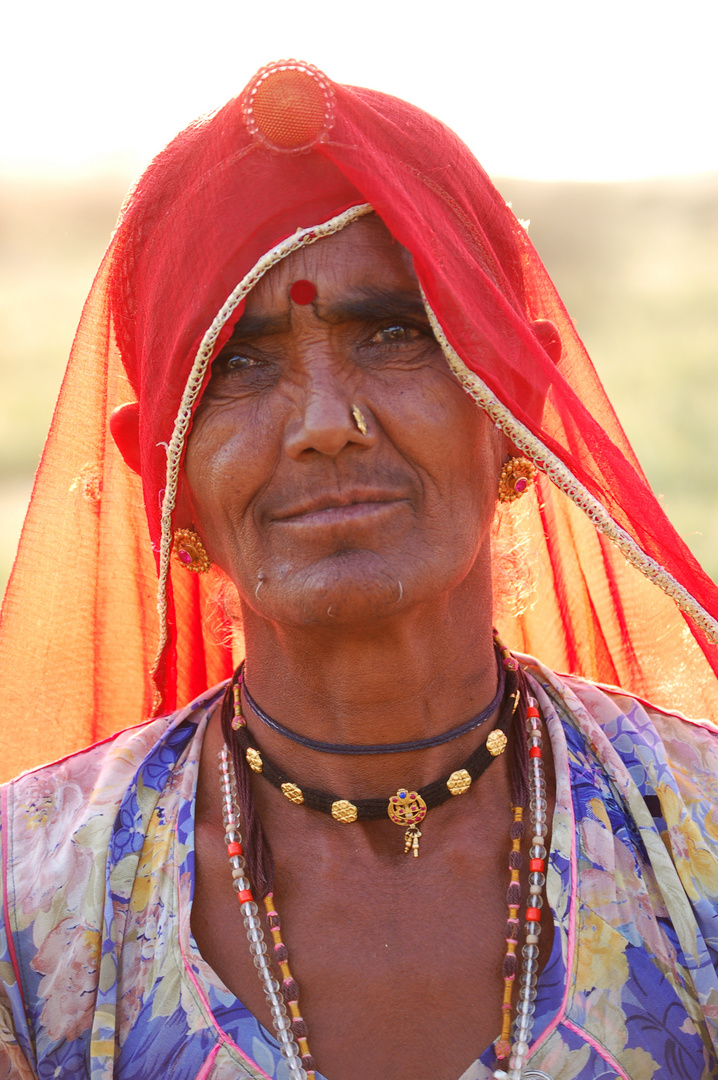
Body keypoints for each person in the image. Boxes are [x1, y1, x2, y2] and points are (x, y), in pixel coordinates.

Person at [0, 59, 717, 1080]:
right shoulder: (33, 916)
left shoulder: (696, 847)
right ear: (164, 475)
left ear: (512, 407)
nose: (325, 426)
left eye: (393, 336)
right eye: (237, 366)